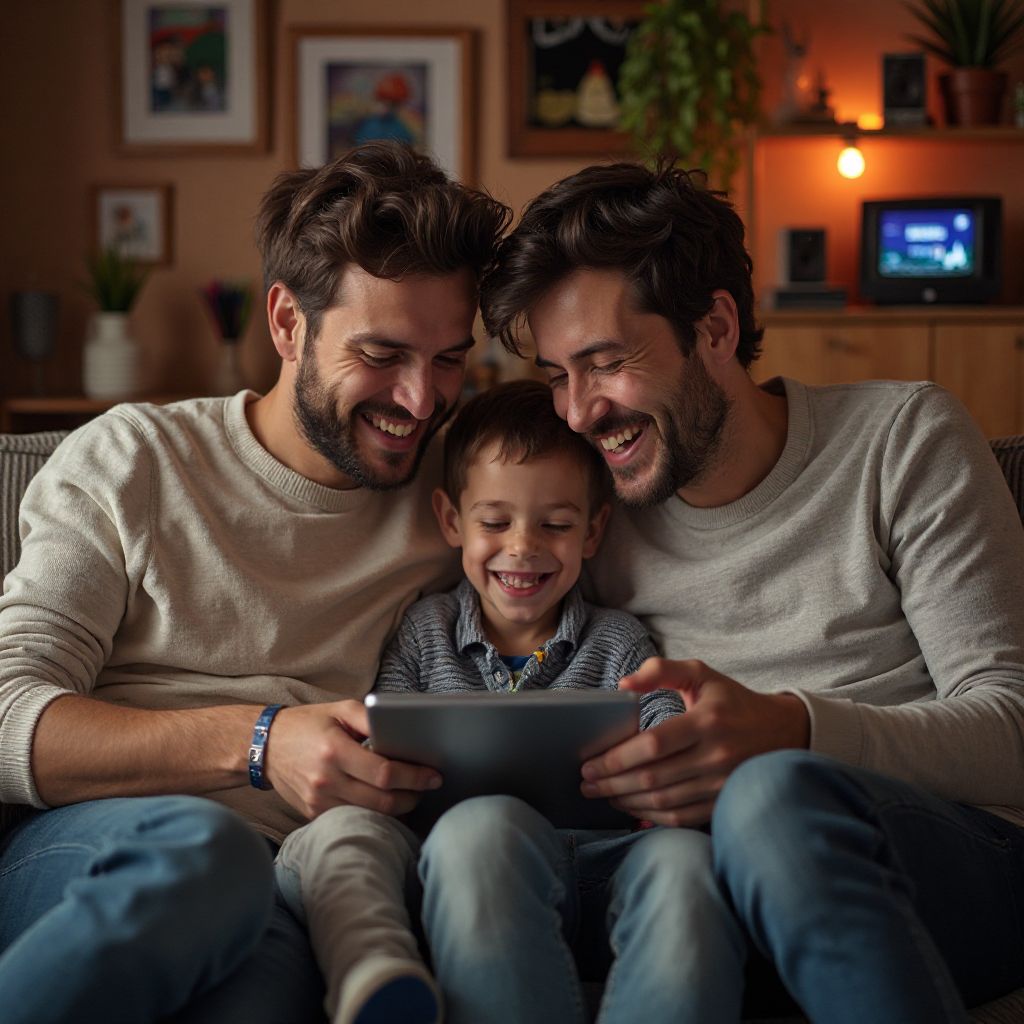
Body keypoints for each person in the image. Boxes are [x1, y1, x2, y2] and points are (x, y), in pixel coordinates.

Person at [476, 160, 1024, 1022]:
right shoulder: (581, 510)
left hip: (940, 859)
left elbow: (1012, 729)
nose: (578, 412)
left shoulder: (901, 439)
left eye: (606, 363)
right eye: (555, 375)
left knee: (771, 794)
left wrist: (792, 731)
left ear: (717, 327)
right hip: (702, 879)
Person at [0, 141, 510, 1024]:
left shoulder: (459, 503)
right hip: (99, 852)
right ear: (286, 323)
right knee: (207, 852)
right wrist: (261, 741)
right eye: (383, 353)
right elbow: (5, 712)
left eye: (449, 360)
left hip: (288, 887)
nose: (422, 400)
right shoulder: (134, 462)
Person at [274, 379, 686, 1024]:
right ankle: (375, 967)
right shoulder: (423, 631)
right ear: (451, 521)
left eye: (555, 524)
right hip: (455, 866)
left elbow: (669, 732)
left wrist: (659, 782)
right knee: (343, 840)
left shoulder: (618, 641)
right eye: (495, 522)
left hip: (597, 855)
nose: (522, 547)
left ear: (594, 530)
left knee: (684, 855)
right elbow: (386, 737)